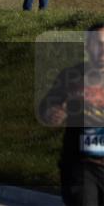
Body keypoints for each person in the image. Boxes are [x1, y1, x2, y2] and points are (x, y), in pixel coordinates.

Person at [39, 23, 104, 205]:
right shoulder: (72, 76)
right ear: (87, 47)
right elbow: (47, 106)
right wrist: (52, 112)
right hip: (82, 167)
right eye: (97, 44)